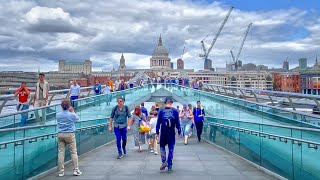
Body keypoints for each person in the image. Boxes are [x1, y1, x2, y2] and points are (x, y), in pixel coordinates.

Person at [56, 99, 82, 177]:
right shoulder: (71, 114)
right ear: (69, 106)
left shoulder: (58, 115)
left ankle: (61, 171)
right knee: (73, 152)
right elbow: (77, 119)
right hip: (70, 134)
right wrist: (72, 111)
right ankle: (76, 170)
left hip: (60, 134)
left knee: (61, 153)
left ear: (61, 106)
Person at [156, 97, 181, 172]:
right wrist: (179, 131)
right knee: (171, 148)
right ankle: (170, 165)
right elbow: (178, 123)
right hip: (171, 132)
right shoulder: (175, 111)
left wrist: (157, 132)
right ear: (171, 103)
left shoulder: (161, 110)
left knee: (162, 147)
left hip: (163, 131)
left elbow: (158, 122)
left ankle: (164, 161)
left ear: (165, 102)